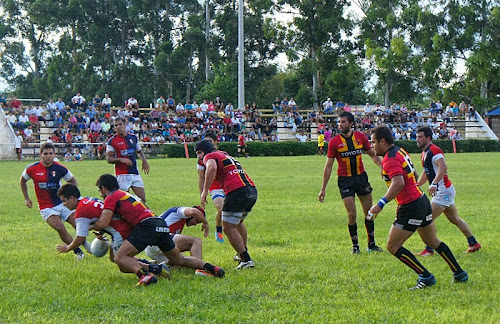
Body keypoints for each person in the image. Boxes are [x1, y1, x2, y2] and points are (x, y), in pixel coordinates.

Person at [369, 126, 468, 290]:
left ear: (382, 141)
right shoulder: (400, 151)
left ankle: (426, 277)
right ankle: (459, 273)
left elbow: (398, 183)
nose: (372, 146)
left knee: (393, 246)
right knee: (432, 241)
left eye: (373, 142)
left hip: (411, 206)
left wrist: (380, 204)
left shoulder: (390, 159)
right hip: (420, 200)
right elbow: (413, 174)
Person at [90, 174, 225, 286]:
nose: (101, 195)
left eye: (100, 191)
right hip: (159, 224)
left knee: (120, 257)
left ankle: (146, 276)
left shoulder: (111, 197)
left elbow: (104, 221)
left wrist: (87, 227)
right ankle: (213, 268)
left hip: (147, 226)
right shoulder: (124, 194)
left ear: (103, 188)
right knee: (179, 259)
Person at [55, 184, 171, 281]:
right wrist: (101, 230)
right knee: (115, 258)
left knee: (122, 263)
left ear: (72, 198)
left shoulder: (80, 212)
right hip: (123, 228)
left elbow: (80, 238)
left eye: (64, 201)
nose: (63, 205)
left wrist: (68, 248)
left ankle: (149, 273)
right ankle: (153, 266)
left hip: (120, 232)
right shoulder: (88, 199)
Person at [318, 112, 383, 254]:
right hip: (345, 181)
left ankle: (371, 244)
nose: (340, 125)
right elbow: (328, 166)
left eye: (343, 122)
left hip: (361, 178)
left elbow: (373, 154)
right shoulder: (334, 142)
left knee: (369, 213)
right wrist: (323, 188)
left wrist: (384, 168)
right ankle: (355, 246)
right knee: (352, 214)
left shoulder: (360, 137)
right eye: (339, 122)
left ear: (351, 123)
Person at [415, 127, 481, 256]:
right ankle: (473, 243)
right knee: (454, 219)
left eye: (420, 137)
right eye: (417, 137)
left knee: (426, 219)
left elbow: (443, 167)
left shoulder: (434, 150)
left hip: (443, 191)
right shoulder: (424, 153)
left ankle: (429, 249)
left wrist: (434, 183)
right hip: (444, 190)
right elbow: (427, 172)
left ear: (428, 137)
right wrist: (417, 184)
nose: (417, 139)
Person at [195, 139, 257, 270]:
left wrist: (205, 191)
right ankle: (242, 253)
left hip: (237, 192)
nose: (199, 157)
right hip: (251, 190)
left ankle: (246, 259)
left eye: (199, 153)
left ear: (205, 151)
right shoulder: (225, 154)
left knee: (228, 227)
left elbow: (211, 167)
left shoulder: (210, 156)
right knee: (238, 223)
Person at [20, 142, 89, 260]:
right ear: (40, 154)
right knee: (60, 228)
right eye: (45, 153)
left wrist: (72, 197)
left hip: (62, 203)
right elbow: (22, 181)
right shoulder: (31, 169)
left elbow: (73, 181)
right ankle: (78, 252)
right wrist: (27, 198)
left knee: (76, 223)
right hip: (46, 207)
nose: (48, 156)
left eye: (50, 153)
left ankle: (85, 244)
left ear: (54, 154)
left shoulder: (60, 168)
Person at [144, 206, 215, 276]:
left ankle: (150, 264)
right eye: (196, 221)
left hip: (151, 247)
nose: (195, 224)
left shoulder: (178, 221)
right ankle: (200, 269)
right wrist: (205, 223)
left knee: (182, 266)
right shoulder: (179, 211)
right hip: (158, 240)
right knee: (196, 241)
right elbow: (195, 211)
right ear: (191, 216)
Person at [106, 117, 150, 202]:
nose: (118, 127)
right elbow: (109, 159)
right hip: (122, 174)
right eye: (116, 125)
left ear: (125, 124)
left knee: (142, 199)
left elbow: (139, 151)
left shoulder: (133, 137)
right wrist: (121, 160)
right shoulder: (112, 141)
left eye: (120, 124)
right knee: (124, 201)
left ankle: (141, 215)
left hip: (134, 172)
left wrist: (144, 161)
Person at [197, 133, 225, 243]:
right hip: (214, 186)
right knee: (221, 208)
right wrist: (202, 193)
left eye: (209, 141)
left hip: (227, 184)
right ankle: (219, 230)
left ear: (215, 142)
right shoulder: (201, 159)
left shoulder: (222, 154)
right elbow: (201, 177)